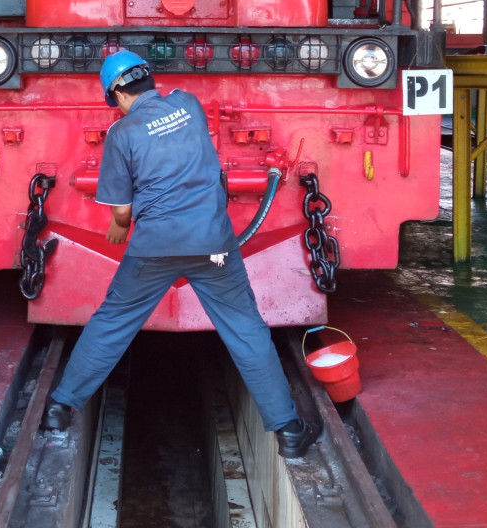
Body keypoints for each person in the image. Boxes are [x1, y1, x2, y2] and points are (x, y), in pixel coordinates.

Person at [41, 50, 321, 459]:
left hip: (153, 251)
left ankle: (60, 408)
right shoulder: (188, 104)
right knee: (246, 329)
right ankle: (289, 431)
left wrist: (120, 227)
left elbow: (122, 211)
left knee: (113, 322)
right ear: (148, 81)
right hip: (214, 249)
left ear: (117, 95)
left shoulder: (122, 133)